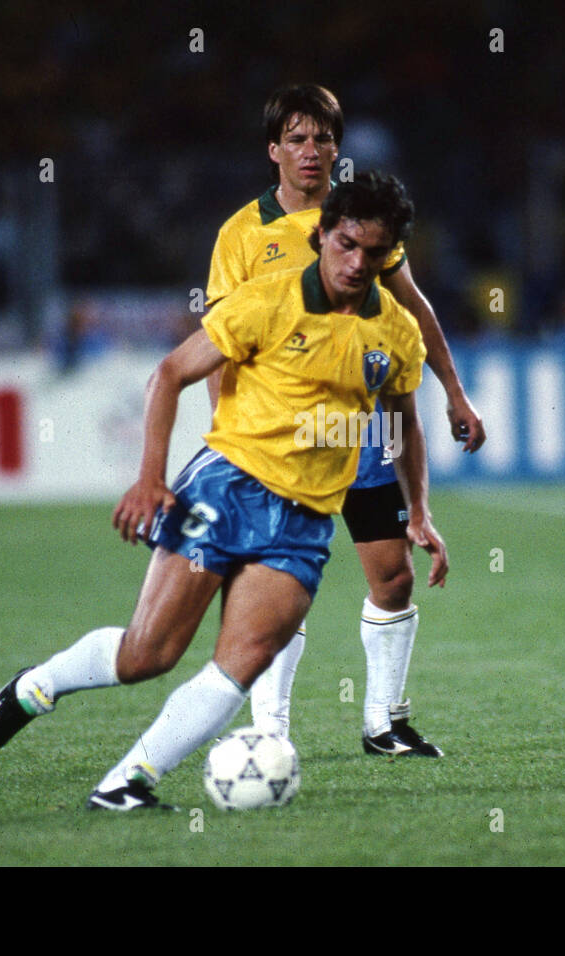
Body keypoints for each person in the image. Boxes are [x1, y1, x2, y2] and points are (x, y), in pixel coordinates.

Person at [0, 172, 448, 809]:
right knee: (149, 655)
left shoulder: (396, 332)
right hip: (227, 489)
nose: (357, 262)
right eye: (346, 244)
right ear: (324, 234)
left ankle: (127, 782)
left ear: (389, 254)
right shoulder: (266, 300)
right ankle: (36, 686)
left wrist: (418, 511)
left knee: (239, 662)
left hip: (304, 523)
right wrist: (149, 479)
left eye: (373, 252)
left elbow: (405, 421)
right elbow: (169, 374)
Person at [207, 84, 485, 755]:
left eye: (323, 138)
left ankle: (383, 722)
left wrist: (454, 391)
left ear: (338, 146)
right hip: (276, 440)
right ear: (273, 149)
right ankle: (269, 731)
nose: (312, 152)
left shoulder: (361, 218)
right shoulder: (242, 235)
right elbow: (218, 343)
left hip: (358, 433)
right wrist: (230, 434)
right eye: (297, 139)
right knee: (274, 588)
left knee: (393, 575)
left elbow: (413, 311)